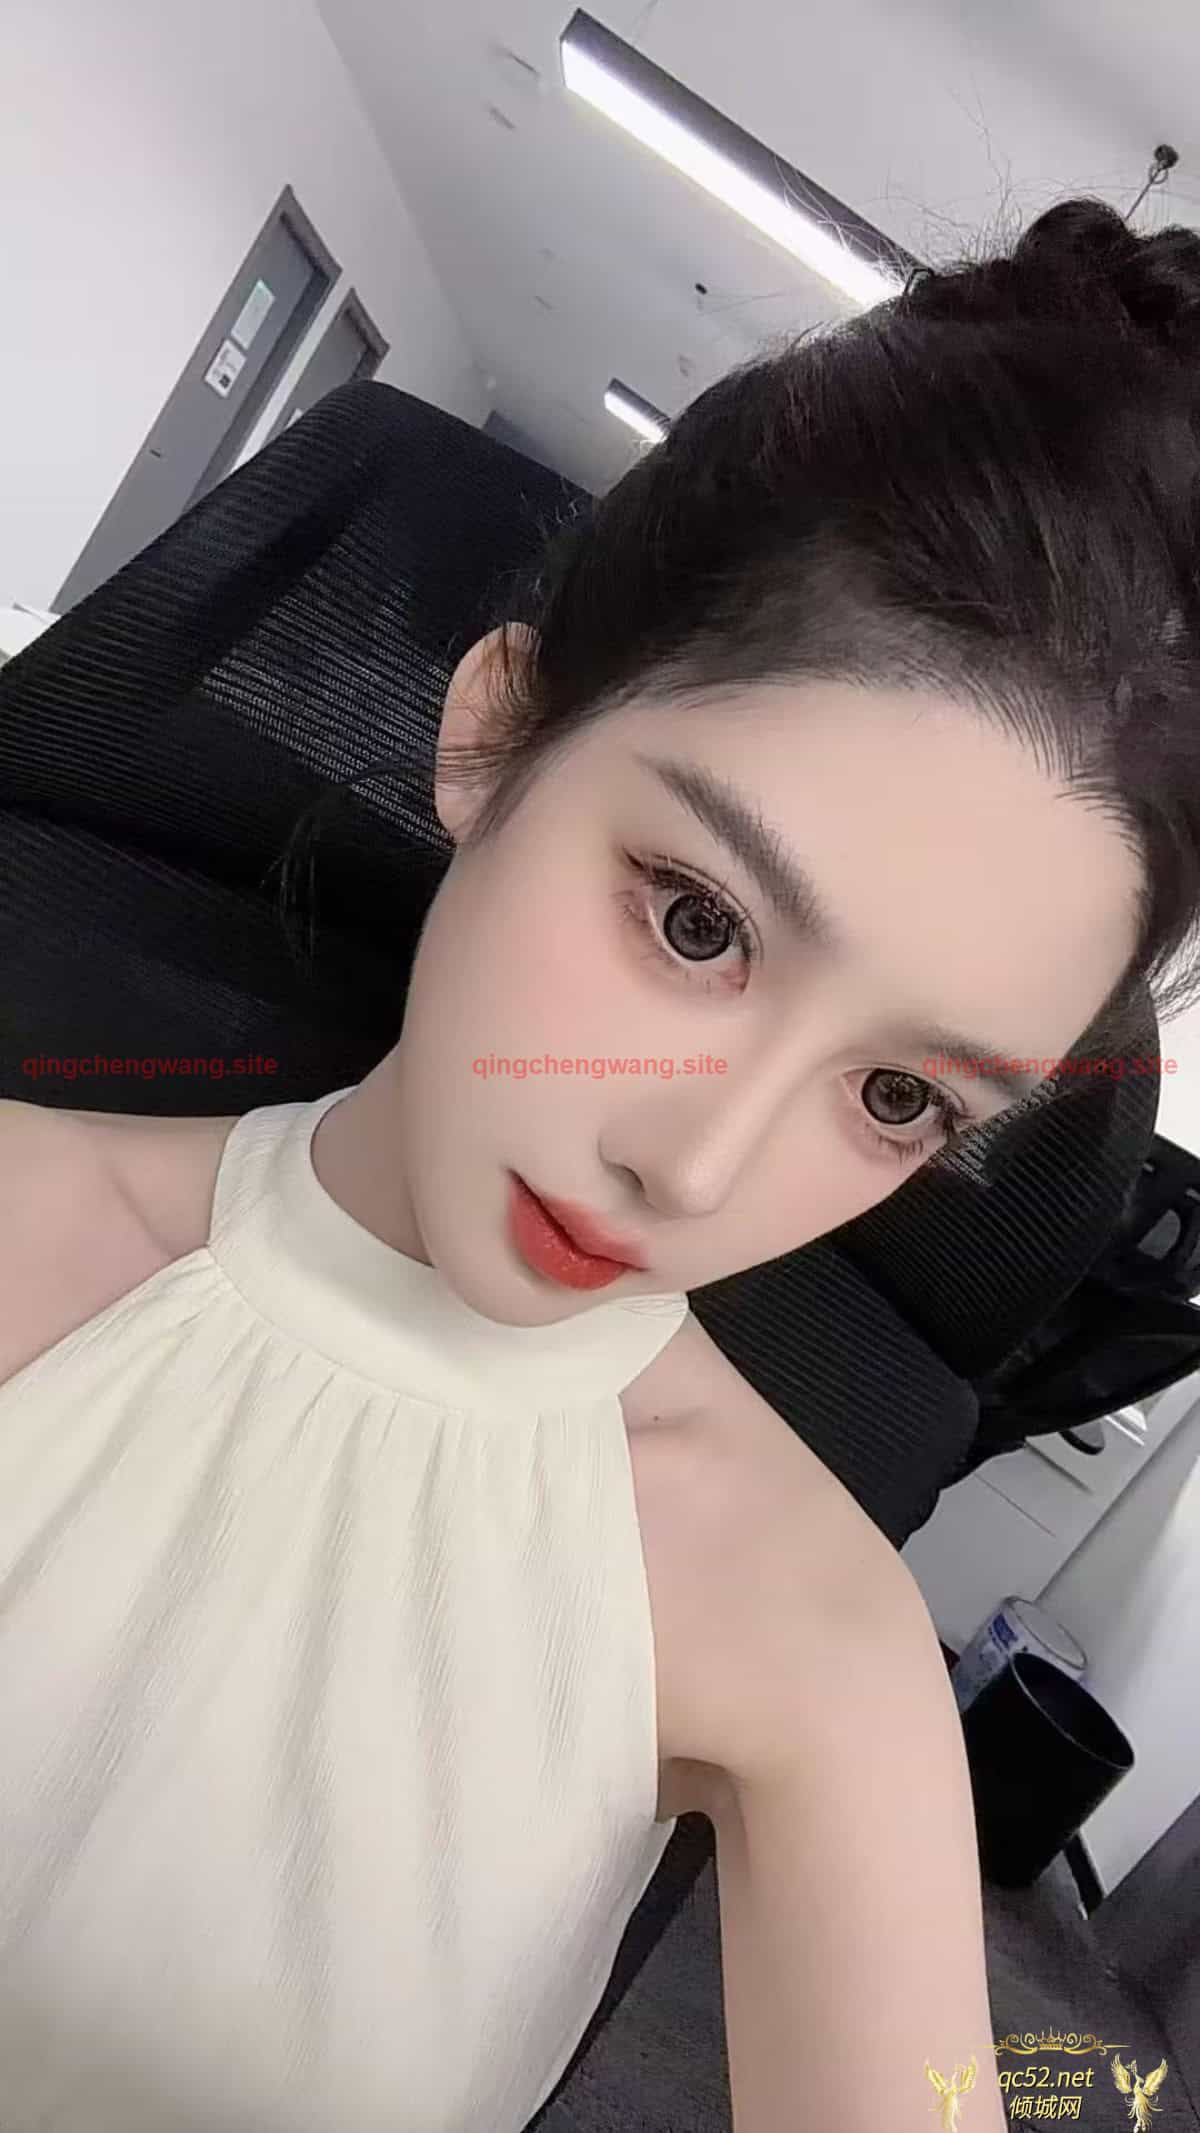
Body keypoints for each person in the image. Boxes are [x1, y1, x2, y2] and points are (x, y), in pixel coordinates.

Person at [2, 192, 1200, 2133]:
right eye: (698, 921)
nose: (698, 1167)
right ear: (496, 734)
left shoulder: (812, 1647)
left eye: (903, 1096)